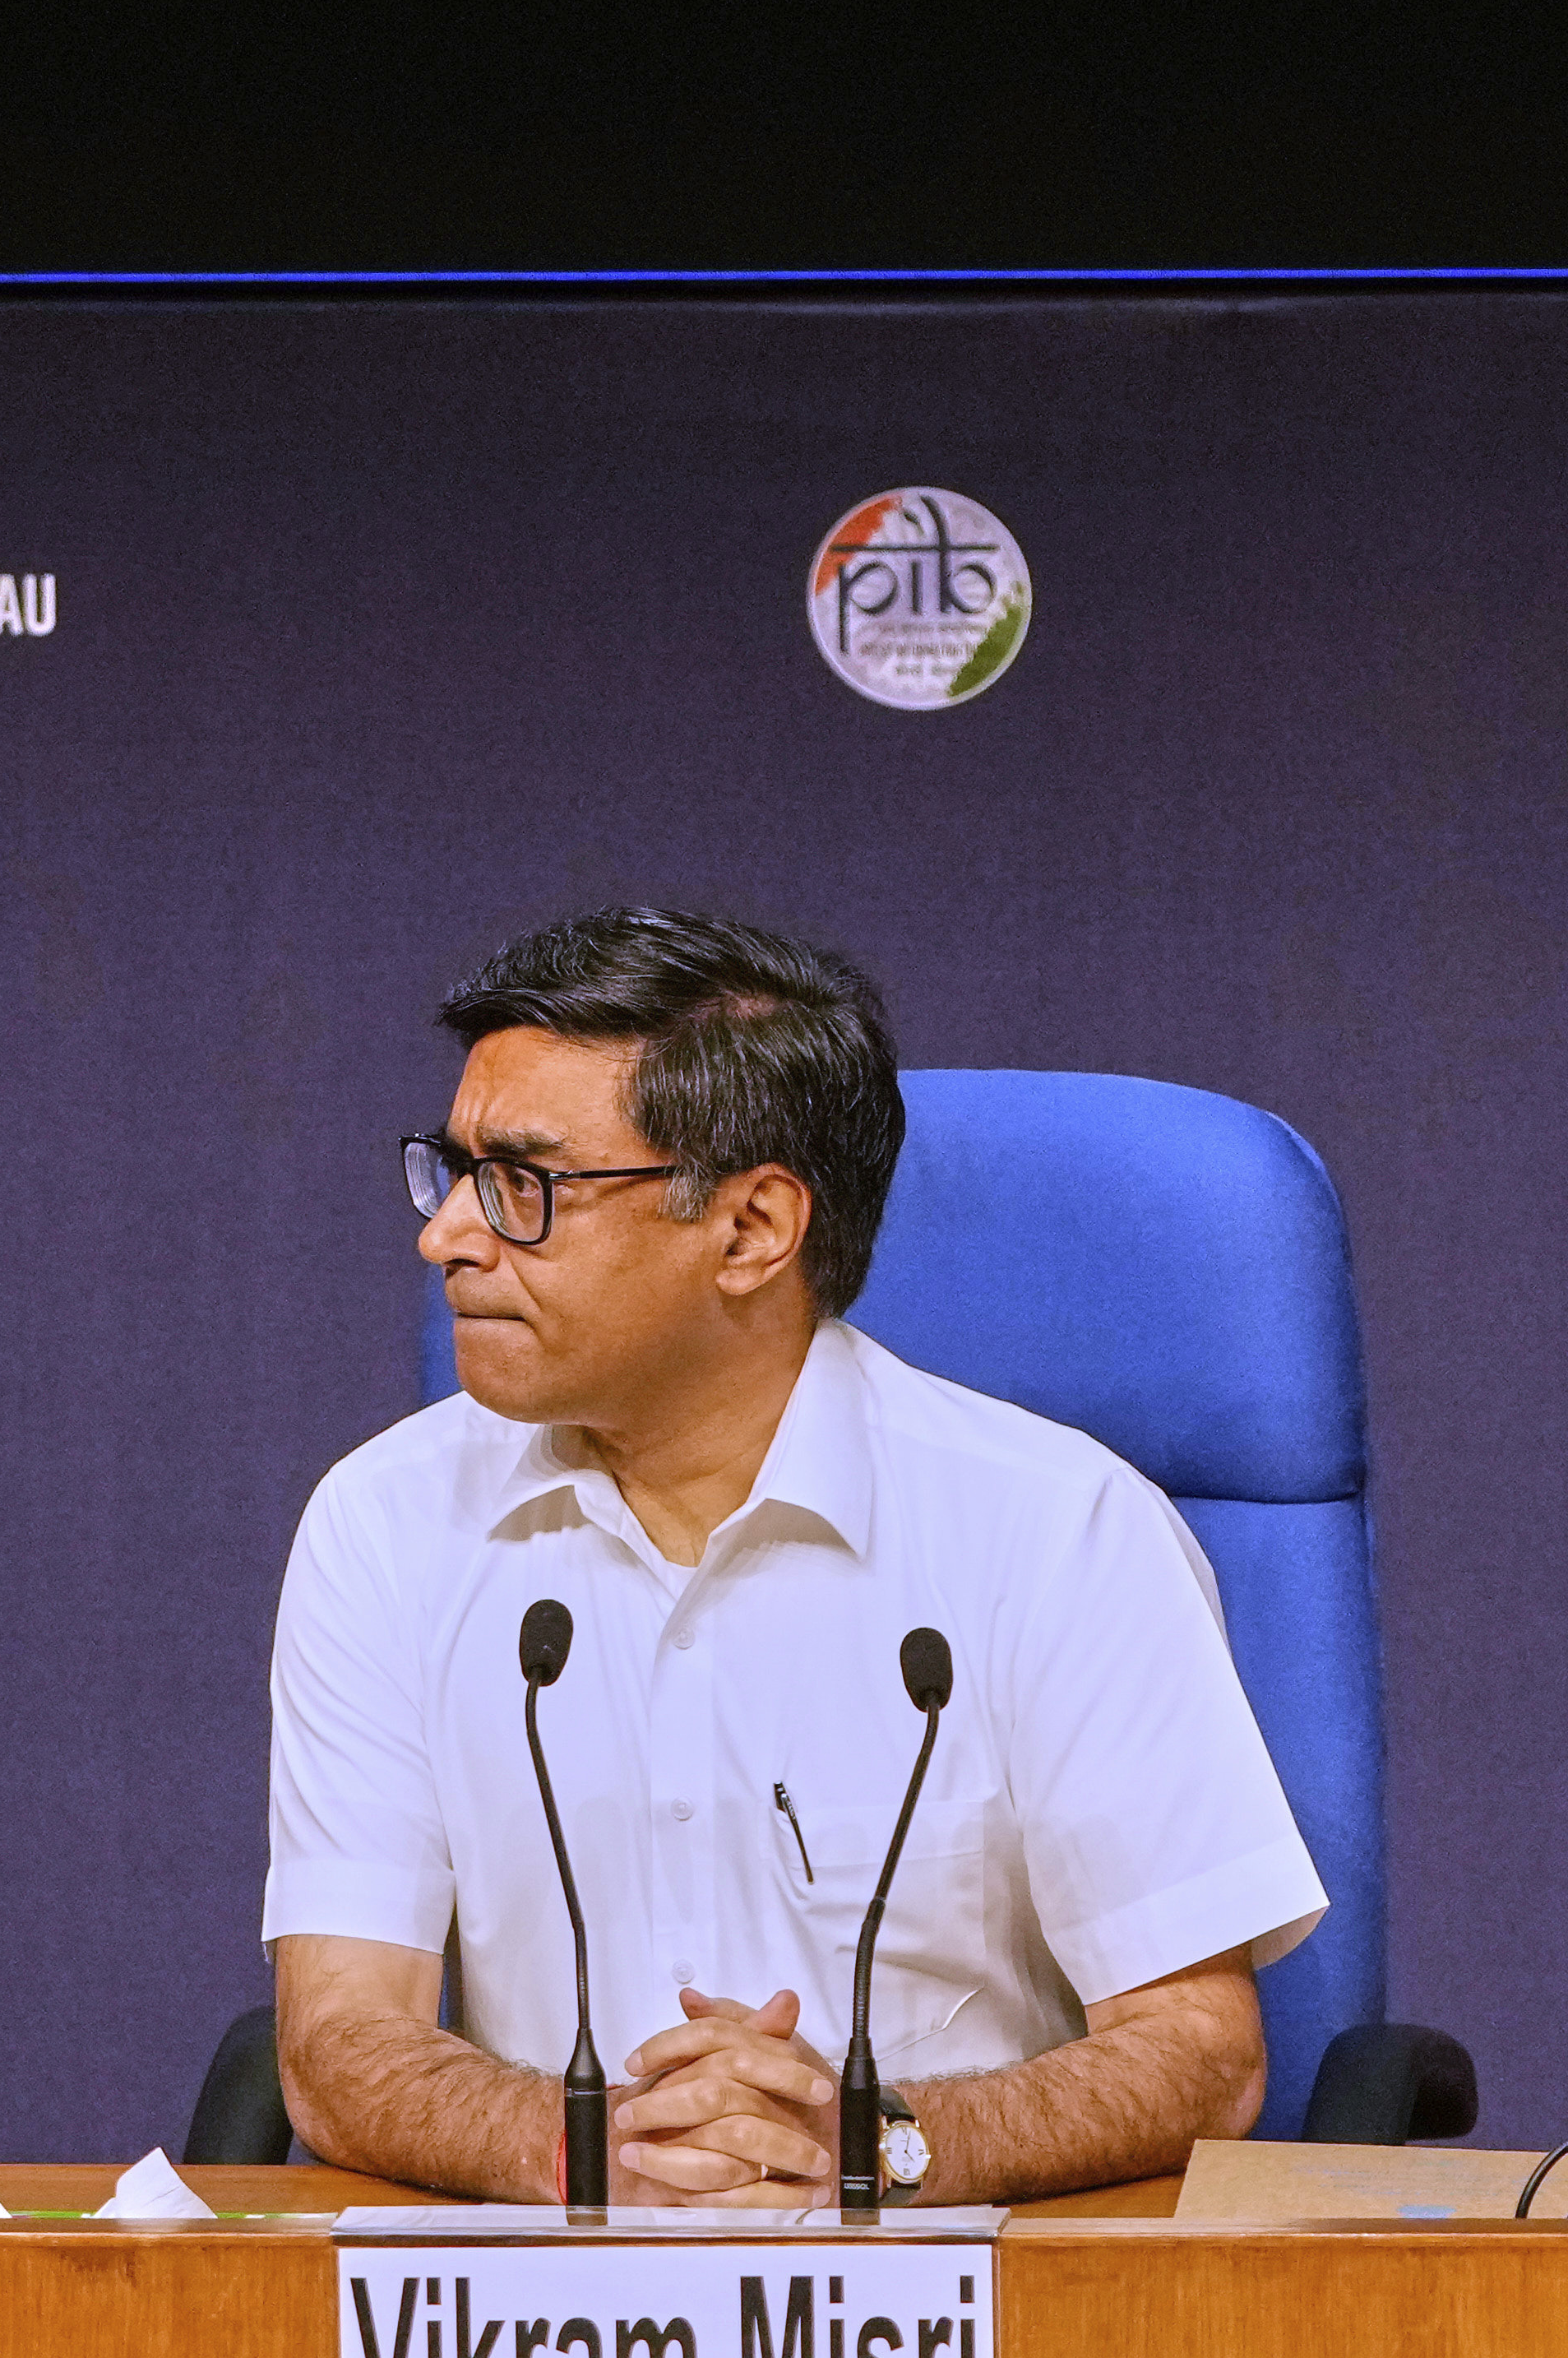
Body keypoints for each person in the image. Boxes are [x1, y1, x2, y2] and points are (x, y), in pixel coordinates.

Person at [264, 909, 1325, 2205]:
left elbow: (1201, 2059)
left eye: (526, 1185)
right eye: (456, 1169)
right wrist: (589, 2147)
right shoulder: (381, 1524)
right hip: (533, 2351)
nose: (450, 1236)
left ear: (754, 1229)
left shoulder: (1057, 1531)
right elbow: (336, 2040)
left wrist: (862, 2148)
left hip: (957, 2345)